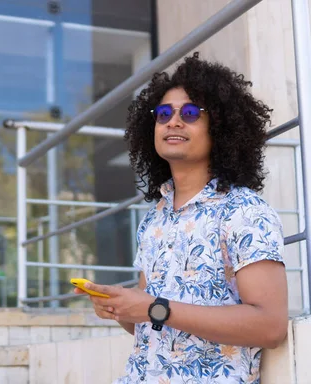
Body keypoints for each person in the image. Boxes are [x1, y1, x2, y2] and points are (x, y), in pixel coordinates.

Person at [75, 53, 288, 383]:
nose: (173, 121)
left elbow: (270, 326)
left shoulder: (245, 212)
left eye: (190, 113)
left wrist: (152, 308)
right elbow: (152, 321)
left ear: (219, 126)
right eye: (163, 114)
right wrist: (118, 307)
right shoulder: (154, 218)